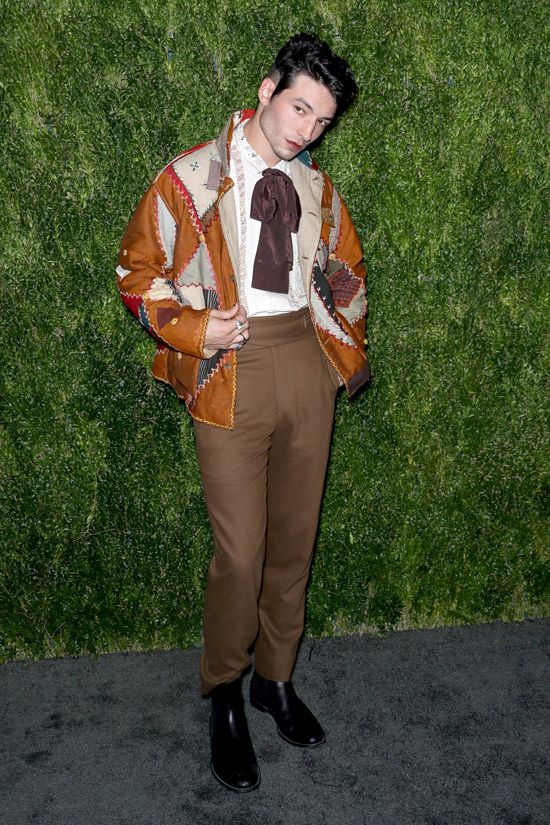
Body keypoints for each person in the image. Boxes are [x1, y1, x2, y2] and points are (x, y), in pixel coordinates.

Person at [116, 32, 371, 793]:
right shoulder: (192, 177)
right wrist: (199, 329)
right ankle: (225, 690)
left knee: (294, 541)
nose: (306, 130)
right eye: (298, 108)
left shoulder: (317, 189)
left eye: (321, 120)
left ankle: (274, 679)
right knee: (241, 552)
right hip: (230, 371)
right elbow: (136, 271)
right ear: (266, 91)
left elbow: (348, 271)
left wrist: (334, 340)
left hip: (304, 364)